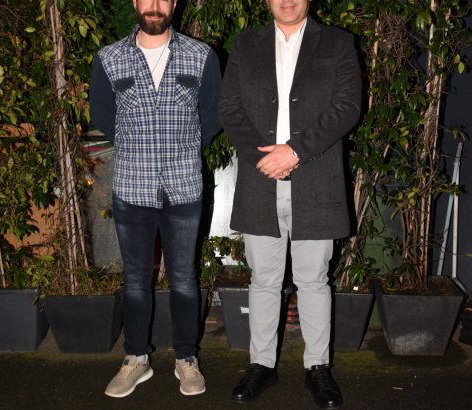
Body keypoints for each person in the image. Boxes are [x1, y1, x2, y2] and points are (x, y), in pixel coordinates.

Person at [218, 0, 361, 408]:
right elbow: (229, 108)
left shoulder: (337, 43)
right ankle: (261, 364)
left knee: (314, 280)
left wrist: (294, 151)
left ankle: (318, 367)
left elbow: (347, 108)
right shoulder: (245, 45)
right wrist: (265, 158)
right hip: (260, 180)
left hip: (316, 181)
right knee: (262, 279)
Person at [89, 0, 221, 399]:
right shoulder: (109, 59)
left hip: (184, 185)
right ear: (135, 2)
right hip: (133, 186)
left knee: (184, 278)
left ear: (174, 4)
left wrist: (183, 148)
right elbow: (103, 115)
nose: (154, 6)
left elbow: (212, 114)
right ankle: (136, 358)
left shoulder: (201, 56)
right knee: (134, 280)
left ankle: (186, 357)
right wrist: (139, 149)